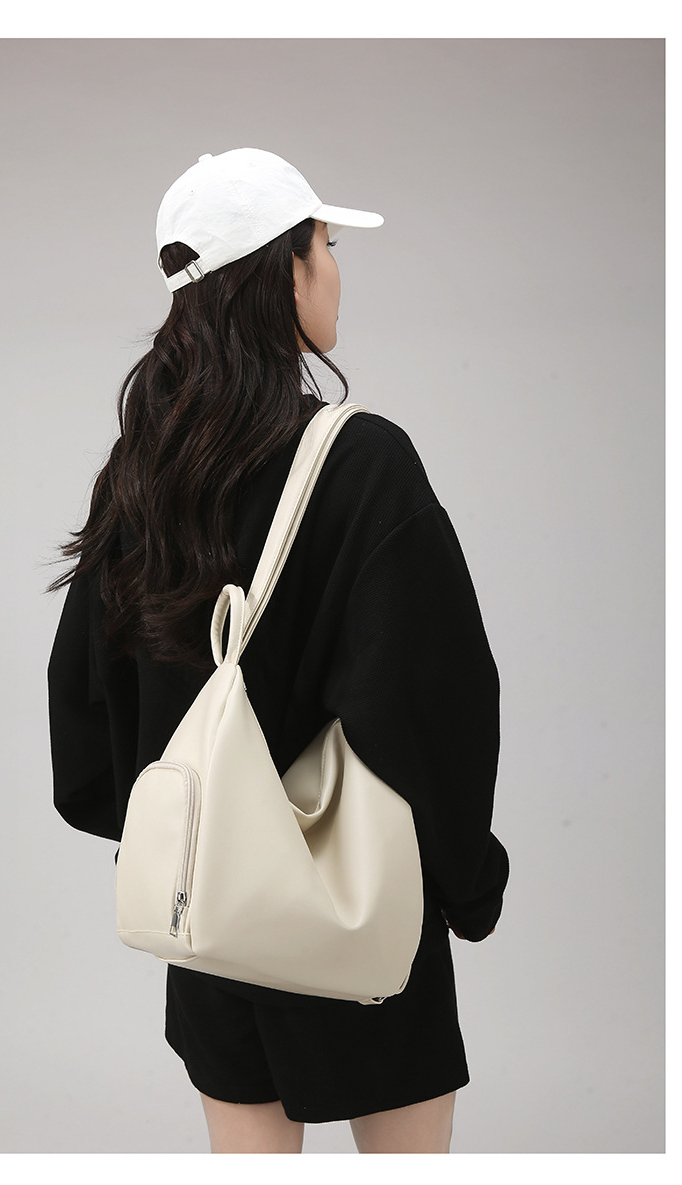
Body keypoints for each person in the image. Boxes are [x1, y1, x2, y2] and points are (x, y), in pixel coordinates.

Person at [47, 148, 509, 1154]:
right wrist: (470, 883)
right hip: (357, 915)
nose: (335, 270)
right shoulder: (364, 461)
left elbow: (82, 714)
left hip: (210, 919)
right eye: (326, 246)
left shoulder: (140, 474)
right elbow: (433, 705)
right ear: (285, 272)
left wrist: (172, 825)